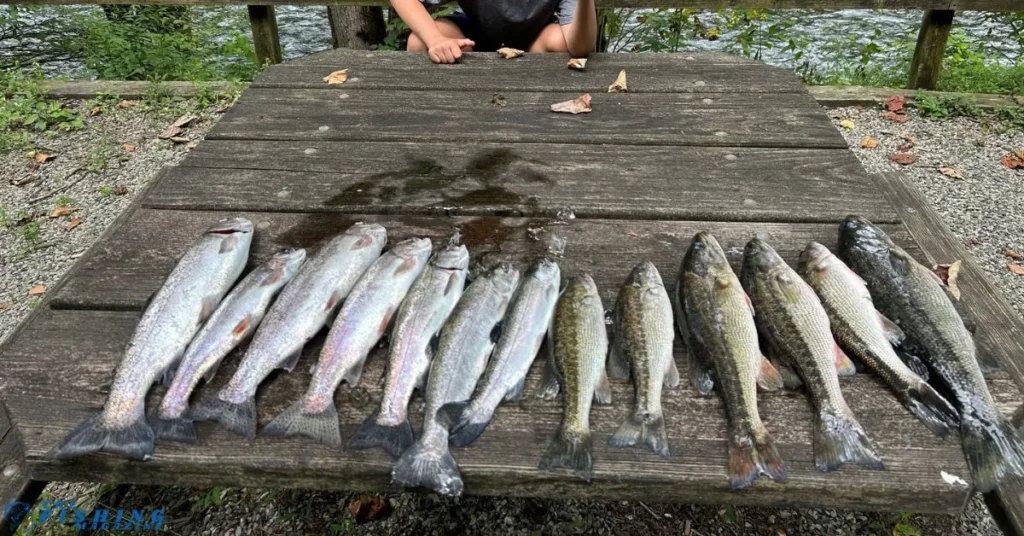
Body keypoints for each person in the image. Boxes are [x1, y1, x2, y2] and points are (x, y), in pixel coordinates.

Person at [390, 0, 597, 64]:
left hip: (535, 39)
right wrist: (435, 39)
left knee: (561, 44)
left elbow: (580, 47)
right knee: (419, 42)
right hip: (473, 32)